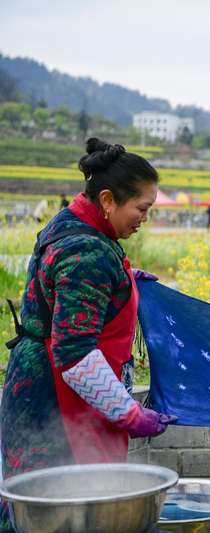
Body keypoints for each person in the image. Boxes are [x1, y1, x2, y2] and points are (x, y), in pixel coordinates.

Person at [0, 138, 176, 528]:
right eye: (142, 208)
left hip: (36, 381)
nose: (144, 218)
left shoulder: (71, 224)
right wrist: (130, 414)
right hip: (56, 400)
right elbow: (75, 353)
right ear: (109, 200)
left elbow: (62, 287)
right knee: (64, 508)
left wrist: (122, 281)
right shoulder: (89, 254)